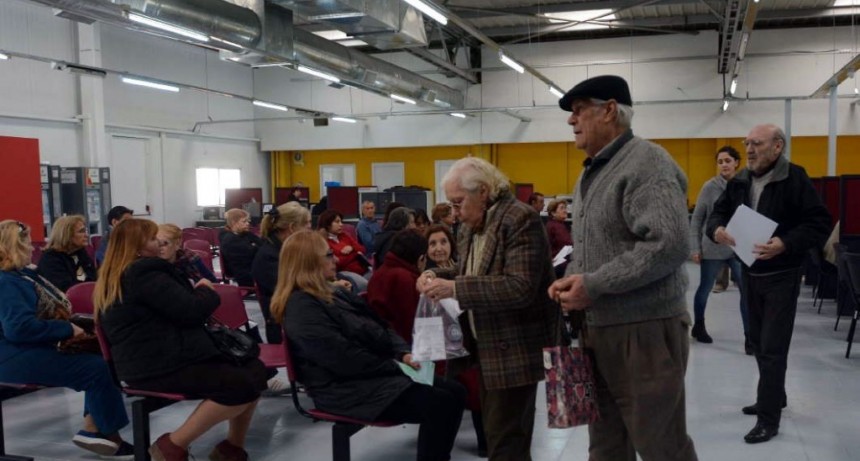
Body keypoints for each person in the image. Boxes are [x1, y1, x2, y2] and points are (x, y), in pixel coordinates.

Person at [548, 75, 698, 460]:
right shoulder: (591, 171)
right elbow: (595, 245)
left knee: (661, 445)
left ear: (610, 110)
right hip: (598, 330)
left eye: (579, 110)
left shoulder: (647, 163)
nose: (571, 120)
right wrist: (570, 281)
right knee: (606, 445)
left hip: (643, 332)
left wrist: (594, 284)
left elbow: (669, 244)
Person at [271, 231, 466, 461]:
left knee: (455, 391)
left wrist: (402, 354)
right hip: (343, 388)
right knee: (441, 403)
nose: (335, 260)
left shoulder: (333, 292)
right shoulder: (301, 307)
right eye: (328, 255)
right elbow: (341, 358)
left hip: (371, 374)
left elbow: (380, 325)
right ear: (309, 263)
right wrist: (394, 365)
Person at [417, 157, 560, 461]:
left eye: (458, 203)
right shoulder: (472, 223)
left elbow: (519, 286)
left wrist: (455, 289)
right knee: (499, 436)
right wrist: (436, 275)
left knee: (507, 443)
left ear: (482, 191)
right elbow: (468, 270)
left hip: (513, 349)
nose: (454, 214)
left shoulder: (520, 219)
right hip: (484, 348)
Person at [95, 219, 267, 461]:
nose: (160, 242)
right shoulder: (144, 273)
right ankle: (173, 445)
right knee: (241, 383)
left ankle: (231, 448)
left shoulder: (122, 274)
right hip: (157, 364)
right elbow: (192, 311)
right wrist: (206, 289)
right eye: (154, 239)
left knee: (256, 370)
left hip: (155, 357)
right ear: (136, 247)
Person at [707, 123, 830, 444]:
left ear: (778, 147)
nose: (748, 150)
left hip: (782, 276)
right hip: (750, 274)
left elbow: (819, 223)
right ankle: (774, 396)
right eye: (746, 143)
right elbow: (716, 213)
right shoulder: (741, 181)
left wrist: (785, 243)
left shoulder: (795, 178)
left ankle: (768, 418)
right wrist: (717, 229)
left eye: (757, 144)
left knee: (773, 347)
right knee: (759, 342)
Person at [0, 220, 134, 459]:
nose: (34, 249)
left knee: (97, 358)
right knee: (96, 369)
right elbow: (18, 329)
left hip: (20, 349)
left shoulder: (19, 276)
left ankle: (96, 428)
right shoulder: (7, 282)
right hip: (11, 355)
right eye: (28, 244)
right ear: (14, 248)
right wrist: (66, 329)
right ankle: (106, 433)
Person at [689, 146, 749, 348]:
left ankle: (750, 335)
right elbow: (697, 218)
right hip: (712, 246)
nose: (724, 165)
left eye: (728, 161)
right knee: (705, 288)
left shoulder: (745, 184)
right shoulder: (709, 187)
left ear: (736, 163)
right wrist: (695, 248)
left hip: (738, 247)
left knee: (746, 290)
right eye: (720, 161)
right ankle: (698, 325)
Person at [251, 201, 311, 344]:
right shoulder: (268, 258)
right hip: (287, 325)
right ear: (292, 228)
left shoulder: (287, 250)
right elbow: (295, 289)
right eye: (307, 223)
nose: (310, 228)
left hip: (299, 316)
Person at [366, 230, 427, 343]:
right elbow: (410, 325)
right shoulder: (407, 280)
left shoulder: (381, 272)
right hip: (402, 347)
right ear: (420, 259)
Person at [37, 214, 97, 292]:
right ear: (67, 235)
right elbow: (65, 288)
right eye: (81, 232)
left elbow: (93, 278)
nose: (87, 235)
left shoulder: (80, 253)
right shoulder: (50, 259)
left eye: (85, 231)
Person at [317, 210, 370, 292]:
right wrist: (355, 253)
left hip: (363, 269)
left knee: (378, 279)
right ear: (327, 224)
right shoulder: (323, 241)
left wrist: (351, 248)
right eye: (337, 222)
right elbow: (339, 262)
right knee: (366, 285)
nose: (341, 224)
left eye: (341, 221)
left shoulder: (344, 235)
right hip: (344, 273)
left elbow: (362, 249)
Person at [220, 209, 263, 287]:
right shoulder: (230, 240)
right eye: (244, 221)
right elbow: (254, 253)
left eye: (248, 221)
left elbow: (261, 244)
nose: (248, 224)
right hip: (246, 276)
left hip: (253, 270)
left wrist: (254, 246)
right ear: (234, 223)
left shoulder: (245, 233)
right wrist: (254, 246)